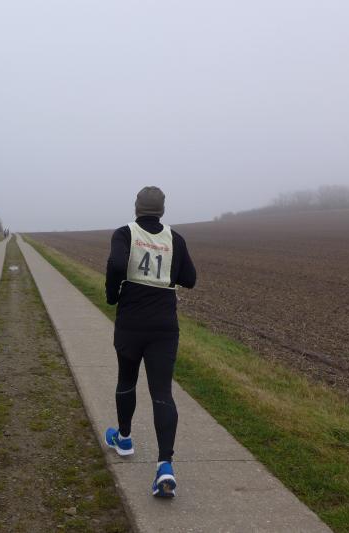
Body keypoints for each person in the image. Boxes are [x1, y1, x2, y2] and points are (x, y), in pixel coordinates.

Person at [103, 186, 196, 498]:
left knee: (126, 380)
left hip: (131, 322)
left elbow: (117, 265)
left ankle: (124, 439)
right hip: (164, 326)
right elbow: (190, 278)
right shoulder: (175, 238)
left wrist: (112, 295)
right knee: (162, 392)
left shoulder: (124, 233)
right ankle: (165, 465)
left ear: (137, 207)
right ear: (162, 210)